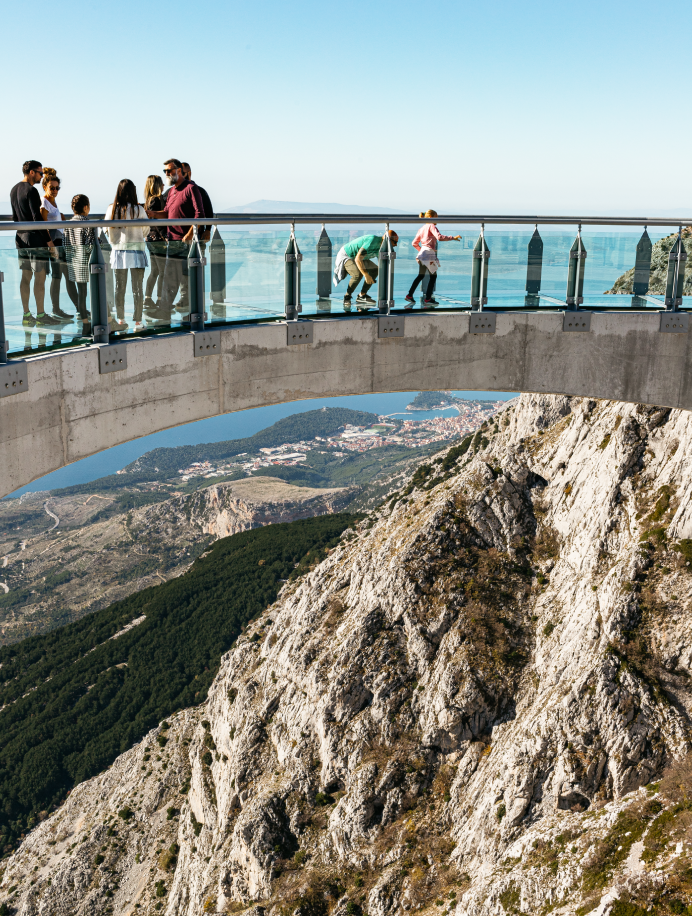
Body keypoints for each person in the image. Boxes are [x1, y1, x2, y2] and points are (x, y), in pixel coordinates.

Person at [146, 158, 204, 321]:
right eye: (165, 171)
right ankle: (166, 312)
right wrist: (152, 214)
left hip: (186, 244)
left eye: (169, 170)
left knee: (186, 281)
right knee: (171, 280)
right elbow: (167, 214)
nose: (166, 174)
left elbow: (200, 215)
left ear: (179, 170)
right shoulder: (171, 192)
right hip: (173, 242)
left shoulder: (191, 188)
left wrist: (189, 235)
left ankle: (190, 315)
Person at [10, 160, 60, 327]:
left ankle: (26, 315)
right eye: (40, 173)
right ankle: (40, 315)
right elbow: (37, 219)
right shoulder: (31, 191)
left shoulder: (13, 190)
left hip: (20, 238)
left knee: (25, 277)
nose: (41, 176)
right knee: (40, 277)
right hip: (35, 240)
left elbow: (16, 219)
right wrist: (50, 243)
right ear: (31, 172)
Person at [105, 179, 149, 330]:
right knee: (138, 288)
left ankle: (121, 320)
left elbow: (105, 229)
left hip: (118, 252)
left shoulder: (112, 209)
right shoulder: (139, 210)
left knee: (119, 288)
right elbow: (146, 230)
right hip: (137, 251)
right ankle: (138, 322)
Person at [40, 167, 77, 321]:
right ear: (45, 187)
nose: (55, 190)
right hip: (54, 243)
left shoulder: (52, 202)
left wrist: (60, 216)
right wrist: (51, 247)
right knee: (57, 276)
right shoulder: (44, 202)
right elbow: (43, 224)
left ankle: (78, 307)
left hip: (60, 242)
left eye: (57, 188)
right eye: (52, 188)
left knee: (66, 276)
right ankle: (57, 309)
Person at [405, 210, 460, 308]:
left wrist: (421, 250)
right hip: (429, 254)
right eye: (436, 216)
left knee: (420, 276)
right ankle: (428, 299)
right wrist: (453, 237)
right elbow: (439, 237)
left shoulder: (421, 228)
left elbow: (414, 243)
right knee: (433, 276)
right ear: (430, 217)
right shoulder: (432, 226)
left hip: (422, 254)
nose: (437, 219)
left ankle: (409, 295)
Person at [333, 230, 399, 311]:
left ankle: (362, 295)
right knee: (358, 274)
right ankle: (347, 296)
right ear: (387, 240)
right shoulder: (372, 241)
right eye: (395, 242)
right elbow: (357, 259)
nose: (396, 245)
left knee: (375, 270)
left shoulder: (382, 248)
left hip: (360, 257)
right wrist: (366, 275)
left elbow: (381, 265)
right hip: (348, 255)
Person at [63, 194, 95, 333]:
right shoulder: (87, 224)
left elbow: (65, 245)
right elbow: (90, 246)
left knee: (81, 294)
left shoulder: (68, 224)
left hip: (73, 262)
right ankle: (100, 320)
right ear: (86, 207)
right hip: (87, 263)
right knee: (93, 292)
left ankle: (85, 323)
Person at [143, 175, 167, 308]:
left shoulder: (148, 200)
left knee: (155, 271)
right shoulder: (157, 200)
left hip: (150, 239)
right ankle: (159, 300)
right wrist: (165, 236)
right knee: (162, 271)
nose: (164, 185)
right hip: (158, 239)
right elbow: (157, 221)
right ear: (157, 185)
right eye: (161, 183)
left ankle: (148, 299)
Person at [181, 162, 213, 242]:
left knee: (198, 254)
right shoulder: (172, 192)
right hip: (177, 237)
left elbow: (208, 211)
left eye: (182, 173)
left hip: (198, 235)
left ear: (189, 173)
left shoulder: (200, 191)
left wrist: (208, 230)